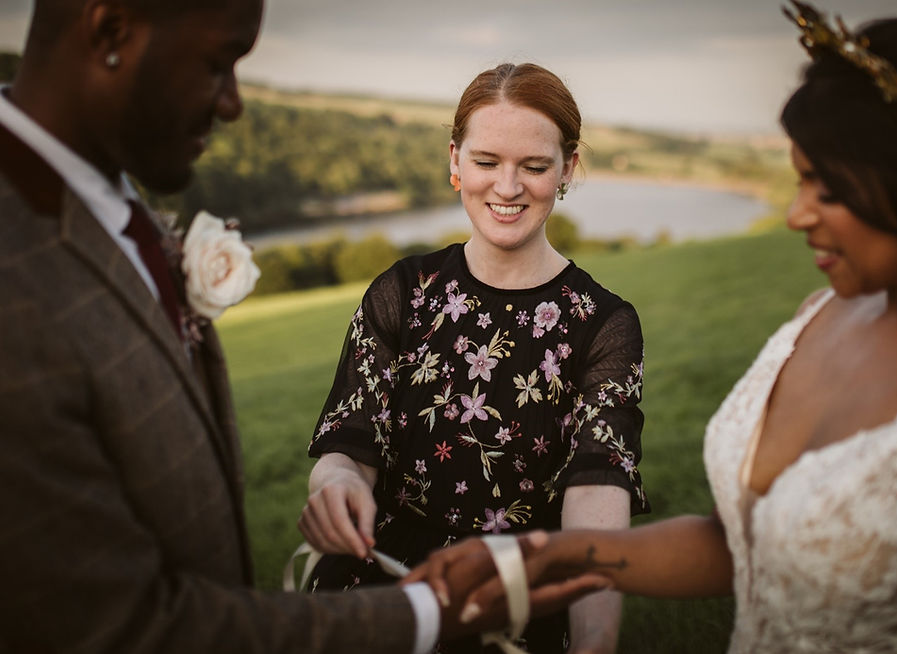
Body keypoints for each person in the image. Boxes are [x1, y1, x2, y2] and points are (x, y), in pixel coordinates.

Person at [0, 3, 600, 652]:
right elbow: (121, 625)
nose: (233, 104)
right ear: (111, 30)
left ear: (566, 168)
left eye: (534, 165)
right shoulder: (18, 275)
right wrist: (423, 609)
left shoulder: (106, 208)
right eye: (216, 63)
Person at [405, 4, 897, 652]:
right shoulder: (815, 319)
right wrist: (545, 553)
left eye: (828, 188)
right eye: (798, 181)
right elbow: (737, 544)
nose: (795, 215)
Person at [298, 62, 650, 653]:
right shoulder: (402, 292)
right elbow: (349, 446)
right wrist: (335, 484)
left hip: (516, 603)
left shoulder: (605, 325)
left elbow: (596, 500)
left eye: (534, 167)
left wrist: (594, 647)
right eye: (487, 162)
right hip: (381, 592)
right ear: (455, 162)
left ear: (568, 168)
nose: (507, 188)